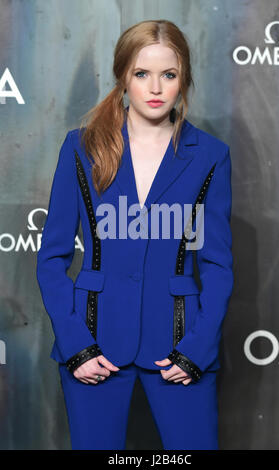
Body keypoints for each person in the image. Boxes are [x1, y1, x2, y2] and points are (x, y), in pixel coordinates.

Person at [36, 19, 234, 450]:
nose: (156, 87)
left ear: (184, 80)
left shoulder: (211, 156)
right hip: (94, 344)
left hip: (181, 347)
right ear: (123, 75)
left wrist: (197, 348)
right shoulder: (81, 147)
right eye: (142, 73)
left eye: (169, 74)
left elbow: (217, 264)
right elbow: (51, 257)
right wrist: (76, 344)